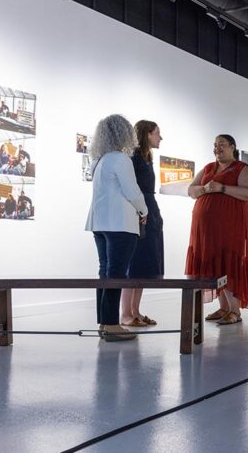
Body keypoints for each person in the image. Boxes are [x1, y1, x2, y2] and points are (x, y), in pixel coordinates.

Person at [85, 114, 148, 342]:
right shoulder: (121, 159)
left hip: (99, 223)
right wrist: (144, 211)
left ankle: (104, 322)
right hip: (120, 224)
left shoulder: (99, 160)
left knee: (105, 271)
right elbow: (132, 192)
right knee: (116, 273)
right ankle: (112, 325)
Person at [186, 134, 248, 325]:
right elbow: (191, 190)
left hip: (230, 226)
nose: (217, 148)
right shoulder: (209, 167)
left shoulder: (241, 168)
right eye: (215, 145)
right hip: (205, 230)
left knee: (228, 263)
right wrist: (205, 190)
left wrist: (222, 188)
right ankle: (224, 307)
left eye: (222, 145)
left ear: (233, 147)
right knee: (214, 264)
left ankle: (234, 310)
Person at [121, 120, 165, 327]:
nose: (160, 137)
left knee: (143, 264)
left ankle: (135, 312)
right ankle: (126, 314)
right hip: (139, 212)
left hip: (149, 210)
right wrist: (140, 211)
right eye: (157, 133)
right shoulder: (134, 158)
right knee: (134, 263)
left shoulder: (146, 158)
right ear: (147, 134)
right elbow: (131, 188)